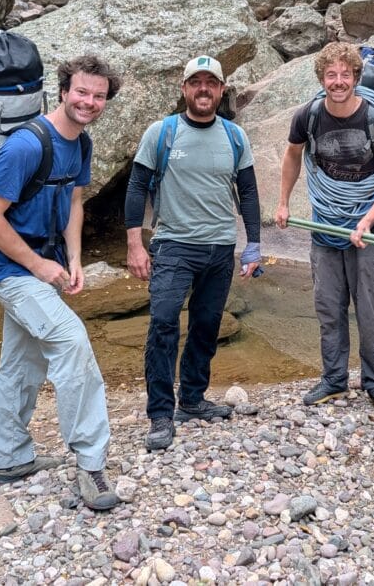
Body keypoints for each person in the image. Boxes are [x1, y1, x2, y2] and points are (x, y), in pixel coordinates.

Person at [0, 54, 122, 509]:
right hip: (10, 270)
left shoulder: (82, 144)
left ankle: (10, 458)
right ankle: (91, 464)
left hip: (47, 264)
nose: (89, 102)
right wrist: (38, 267)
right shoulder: (26, 146)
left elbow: (75, 203)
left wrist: (75, 260)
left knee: (21, 364)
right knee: (71, 341)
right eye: (82, 92)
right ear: (62, 91)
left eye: (98, 96)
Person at [125, 55, 262, 452]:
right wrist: (135, 243)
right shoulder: (162, 132)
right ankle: (160, 415)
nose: (204, 89)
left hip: (220, 247)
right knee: (164, 324)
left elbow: (248, 192)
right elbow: (136, 188)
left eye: (211, 83)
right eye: (196, 82)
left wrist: (252, 245)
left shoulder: (235, 137)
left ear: (221, 91)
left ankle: (193, 399)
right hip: (173, 245)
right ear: (184, 89)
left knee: (205, 326)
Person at [275, 42, 374, 410]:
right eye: (330, 75)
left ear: (355, 76)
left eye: (344, 75)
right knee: (329, 307)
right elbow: (292, 153)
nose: (338, 82)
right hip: (326, 225)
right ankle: (334, 379)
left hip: (372, 229)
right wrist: (284, 202)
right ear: (322, 78)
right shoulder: (309, 116)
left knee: (369, 310)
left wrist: (366, 220)